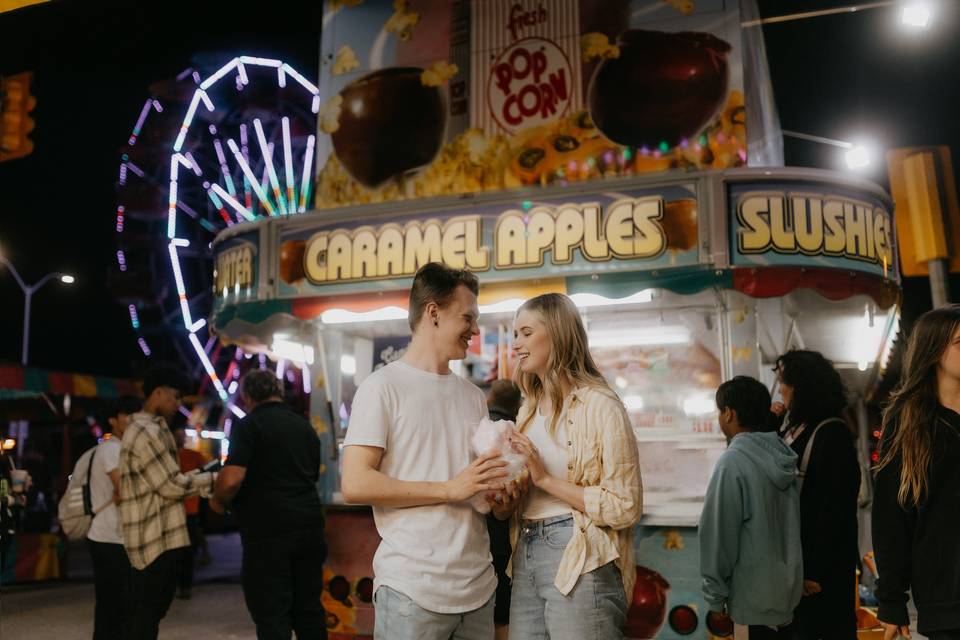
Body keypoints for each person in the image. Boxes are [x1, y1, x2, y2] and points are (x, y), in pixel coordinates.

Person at [341, 262, 517, 640]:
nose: (474, 329)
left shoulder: (473, 397)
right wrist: (448, 489)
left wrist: (502, 500)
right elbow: (355, 483)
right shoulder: (381, 388)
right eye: (467, 317)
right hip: (412, 592)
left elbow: (479, 491)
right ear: (433, 312)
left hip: (478, 589)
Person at [506, 293, 643, 640]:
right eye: (515, 335)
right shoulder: (527, 410)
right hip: (524, 549)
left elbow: (625, 506)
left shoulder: (601, 406)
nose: (516, 344)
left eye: (525, 332)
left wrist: (545, 479)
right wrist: (506, 493)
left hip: (579, 552)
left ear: (557, 333)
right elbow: (529, 486)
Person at [211, 369, 327, 640]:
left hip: (268, 532)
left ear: (247, 397)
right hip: (309, 527)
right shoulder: (305, 427)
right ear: (279, 393)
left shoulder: (249, 426)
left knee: (272, 614)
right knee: (309, 610)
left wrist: (216, 503)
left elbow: (231, 480)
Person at [873, 305, 960, 639]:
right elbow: (891, 516)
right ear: (934, 349)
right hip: (946, 599)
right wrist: (892, 600)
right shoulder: (908, 422)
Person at [699, 376, 803, 638]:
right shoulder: (781, 456)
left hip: (750, 603)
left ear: (729, 414)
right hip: (785, 598)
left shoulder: (733, 463)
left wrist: (715, 598)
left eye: (720, 411)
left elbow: (718, 536)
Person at [119, 365, 217, 640]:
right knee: (146, 617)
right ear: (158, 392)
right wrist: (213, 481)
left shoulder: (156, 429)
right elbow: (170, 485)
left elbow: (169, 479)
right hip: (153, 540)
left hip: (162, 536)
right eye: (175, 397)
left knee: (150, 615)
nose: (178, 404)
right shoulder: (145, 432)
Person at [772, 350, 859, 640]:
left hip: (821, 572)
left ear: (802, 386)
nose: (780, 388)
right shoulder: (794, 428)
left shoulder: (832, 433)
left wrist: (814, 570)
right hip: (796, 565)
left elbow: (834, 509)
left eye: (784, 381)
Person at [87, 395, 141, 640]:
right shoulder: (111, 448)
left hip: (116, 536)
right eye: (126, 415)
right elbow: (125, 487)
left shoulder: (121, 449)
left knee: (116, 605)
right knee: (114, 605)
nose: (132, 420)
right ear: (112, 420)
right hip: (107, 537)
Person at [486, 380, 522, 640]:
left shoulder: (479, 430)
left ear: (488, 399)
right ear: (518, 406)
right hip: (504, 536)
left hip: (475, 536)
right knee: (502, 617)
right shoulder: (519, 433)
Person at [173, 427, 209, 600]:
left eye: (181, 435)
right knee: (183, 551)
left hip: (188, 510)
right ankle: (182, 585)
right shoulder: (171, 456)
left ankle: (184, 585)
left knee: (186, 551)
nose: (180, 437)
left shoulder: (190, 455)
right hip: (180, 509)